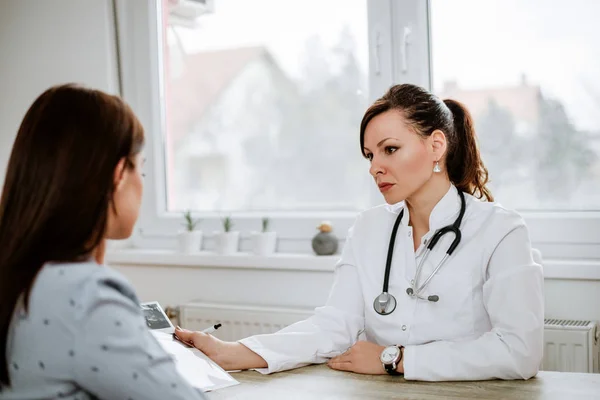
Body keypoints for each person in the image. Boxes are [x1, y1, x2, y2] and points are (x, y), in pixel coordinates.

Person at [175, 83, 544, 381]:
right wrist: (233, 352)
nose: (375, 168)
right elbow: (334, 326)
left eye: (390, 149)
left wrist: (397, 359)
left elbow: (519, 352)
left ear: (436, 146)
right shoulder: (369, 228)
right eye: (370, 155)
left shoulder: (501, 231)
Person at [0, 84, 207, 399]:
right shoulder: (84, 295)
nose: (142, 183)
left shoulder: (19, 275)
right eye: (142, 169)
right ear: (119, 174)